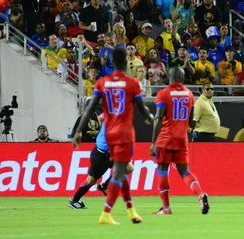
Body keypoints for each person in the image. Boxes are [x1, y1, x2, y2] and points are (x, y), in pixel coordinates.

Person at [72, 47, 153, 225]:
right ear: (126, 62)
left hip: (108, 134)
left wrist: (78, 131)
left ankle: (130, 211)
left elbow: (90, 108)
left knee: (122, 171)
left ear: (111, 63)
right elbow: (142, 108)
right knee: (119, 172)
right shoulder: (132, 83)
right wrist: (151, 119)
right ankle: (109, 213)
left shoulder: (102, 82)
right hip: (124, 133)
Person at [150, 67, 210, 215]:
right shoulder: (189, 94)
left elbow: (158, 117)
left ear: (169, 78)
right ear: (182, 79)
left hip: (165, 138)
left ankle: (166, 208)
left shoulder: (163, 94)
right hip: (182, 139)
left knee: (163, 170)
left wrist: (153, 142)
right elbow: (191, 121)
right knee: (185, 171)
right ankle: (200, 194)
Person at [68, 116, 134, 210]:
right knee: (91, 180)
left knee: (129, 168)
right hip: (100, 154)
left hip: (111, 153)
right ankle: (74, 200)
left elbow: (100, 118)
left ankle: (104, 186)